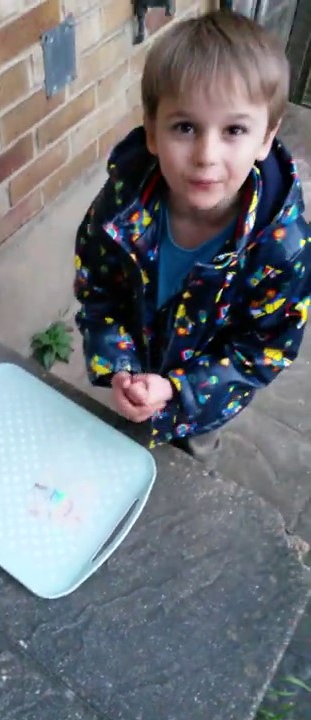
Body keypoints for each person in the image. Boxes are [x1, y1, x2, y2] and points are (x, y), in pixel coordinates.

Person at [73, 9, 311, 464]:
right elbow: (98, 290)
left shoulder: (283, 250)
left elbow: (261, 352)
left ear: (266, 138)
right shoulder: (122, 206)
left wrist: (178, 392)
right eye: (185, 127)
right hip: (135, 377)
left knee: (189, 464)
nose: (206, 155)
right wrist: (119, 365)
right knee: (121, 448)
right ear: (152, 131)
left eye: (234, 130)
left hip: (201, 403)